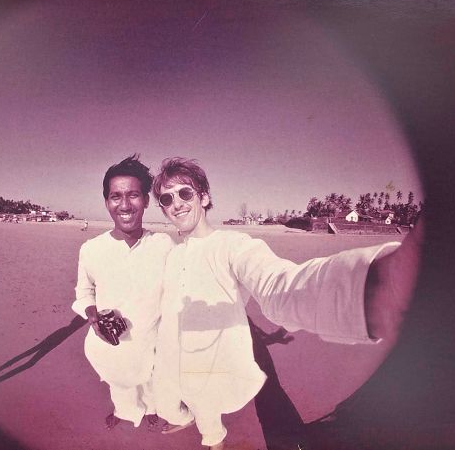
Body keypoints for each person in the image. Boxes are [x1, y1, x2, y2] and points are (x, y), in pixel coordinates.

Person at [151, 157, 423, 450]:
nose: (176, 203)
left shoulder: (232, 245)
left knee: (247, 415)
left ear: (204, 197)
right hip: (186, 358)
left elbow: (279, 285)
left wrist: (374, 286)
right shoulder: (171, 255)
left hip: (223, 353)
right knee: (202, 409)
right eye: (167, 199)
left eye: (185, 193)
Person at [72, 155, 175, 430]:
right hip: (113, 341)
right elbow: (84, 291)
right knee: (119, 383)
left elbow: (181, 288)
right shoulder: (91, 249)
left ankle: (152, 408)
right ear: (106, 202)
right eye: (116, 196)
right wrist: (92, 314)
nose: (125, 205)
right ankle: (125, 411)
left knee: (152, 379)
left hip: (153, 339)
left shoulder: (163, 245)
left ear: (146, 200)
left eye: (133, 195)